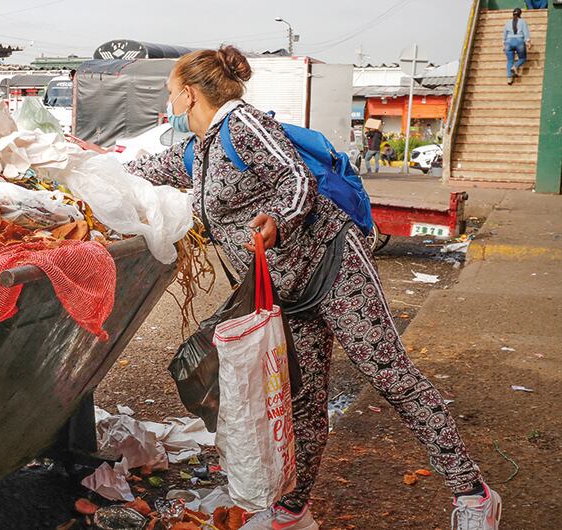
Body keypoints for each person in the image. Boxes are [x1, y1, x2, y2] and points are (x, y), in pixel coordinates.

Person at [122, 45, 500, 530]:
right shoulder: (203, 149)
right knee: (301, 401)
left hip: (332, 267)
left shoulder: (244, 125)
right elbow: (148, 170)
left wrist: (277, 221)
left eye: (171, 92)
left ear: (190, 95)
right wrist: (78, 166)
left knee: (389, 375)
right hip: (287, 295)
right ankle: (292, 510)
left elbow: (297, 179)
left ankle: (472, 495)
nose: (169, 102)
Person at [504, 8, 531, 85]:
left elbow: (504, 34)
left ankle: (509, 78)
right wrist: (528, 42)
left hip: (508, 42)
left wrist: (503, 43)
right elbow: (526, 32)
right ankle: (515, 66)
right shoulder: (523, 22)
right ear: (520, 14)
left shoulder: (508, 22)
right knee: (522, 58)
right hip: (519, 41)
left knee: (509, 61)